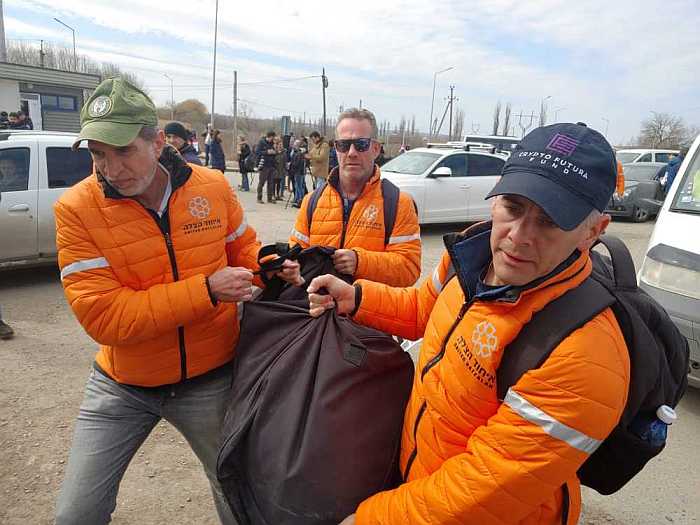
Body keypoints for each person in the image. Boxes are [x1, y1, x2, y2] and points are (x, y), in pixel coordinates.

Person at [308, 122, 630, 525]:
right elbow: (423, 309)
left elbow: (480, 492)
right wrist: (354, 297)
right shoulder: (472, 256)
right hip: (417, 484)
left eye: (550, 221)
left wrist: (371, 519)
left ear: (593, 232)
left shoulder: (585, 355)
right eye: (513, 207)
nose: (518, 236)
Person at [53, 77, 301, 525]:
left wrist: (269, 266)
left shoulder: (212, 188)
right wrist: (207, 291)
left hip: (211, 379)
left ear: (158, 141)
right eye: (97, 153)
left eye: (123, 150)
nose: (110, 168)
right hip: (124, 383)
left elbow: (242, 251)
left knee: (239, 492)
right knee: (77, 513)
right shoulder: (76, 210)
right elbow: (105, 318)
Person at [290, 108, 421, 287]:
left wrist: (361, 262)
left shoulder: (399, 203)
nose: (351, 152)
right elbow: (294, 256)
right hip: (316, 310)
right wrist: (287, 266)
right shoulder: (312, 201)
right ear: (336, 149)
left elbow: (409, 270)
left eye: (360, 144)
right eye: (344, 145)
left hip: (367, 313)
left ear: (375, 149)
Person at [255, 130, 277, 204]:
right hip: (264, 165)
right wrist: (267, 152)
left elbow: (275, 152)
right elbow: (257, 152)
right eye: (272, 138)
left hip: (271, 165)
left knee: (271, 183)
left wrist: (274, 152)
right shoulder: (261, 142)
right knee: (262, 182)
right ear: (269, 137)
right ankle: (259, 198)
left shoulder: (272, 143)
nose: (273, 139)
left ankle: (269, 198)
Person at [288, 139, 307, 208]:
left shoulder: (298, 153)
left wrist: (291, 165)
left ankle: (300, 200)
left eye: (295, 144)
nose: (293, 145)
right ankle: (297, 199)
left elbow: (296, 163)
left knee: (299, 186)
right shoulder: (299, 152)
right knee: (297, 186)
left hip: (298, 172)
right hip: (299, 171)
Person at [273, 136, 287, 200]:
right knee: (274, 183)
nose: (281, 146)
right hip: (275, 170)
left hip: (281, 170)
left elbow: (285, 161)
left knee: (279, 183)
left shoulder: (284, 152)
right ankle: (273, 195)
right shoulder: (274, 152)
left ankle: (278, 195)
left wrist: (285, 169)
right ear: (277, 145)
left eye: (281, 145)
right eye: (279, 144)